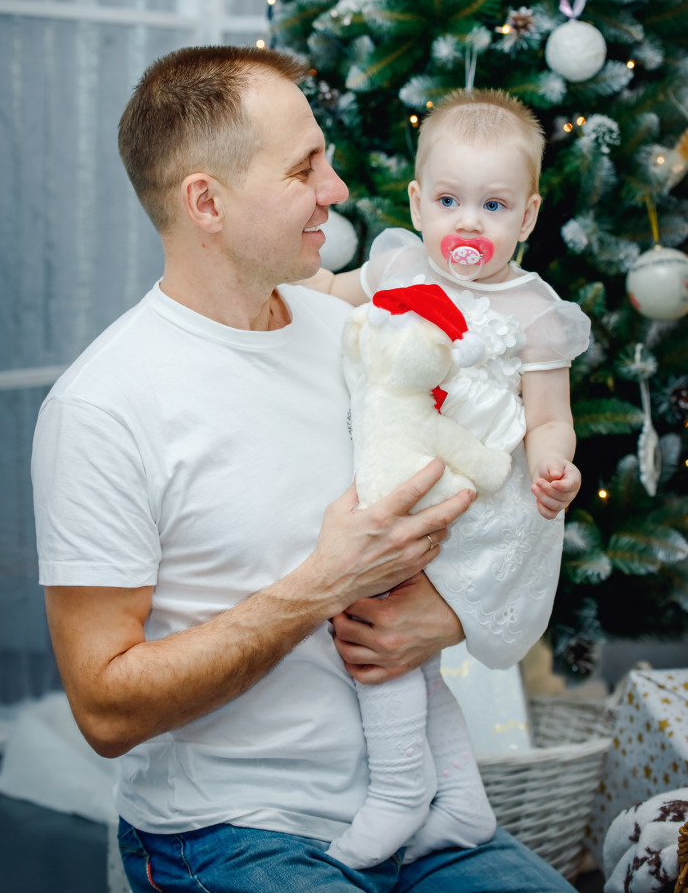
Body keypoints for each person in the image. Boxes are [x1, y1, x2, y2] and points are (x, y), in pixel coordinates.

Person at [33, 49, 575, 893]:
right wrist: (324, 583)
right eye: (303, 168)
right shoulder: (104, 407)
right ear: (205, 202)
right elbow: (105, 710)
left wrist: (451, 617)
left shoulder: (366, 334)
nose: (337, 188)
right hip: (234, 832)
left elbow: (502, 499)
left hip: (422, 808)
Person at [305, 88, 592, 869]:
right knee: (403, 650)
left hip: (480, 500)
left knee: (381, 631)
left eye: (493, 204)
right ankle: (459, 802)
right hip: (402, 472)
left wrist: (553, 466)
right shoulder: (396, 261)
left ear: (527, 216)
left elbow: (548, 414)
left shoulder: (534, 310)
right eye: (448, 200)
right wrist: (287, 292)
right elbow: (333, 296)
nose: (467, 222)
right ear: (415, 200)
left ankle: (401, 791)